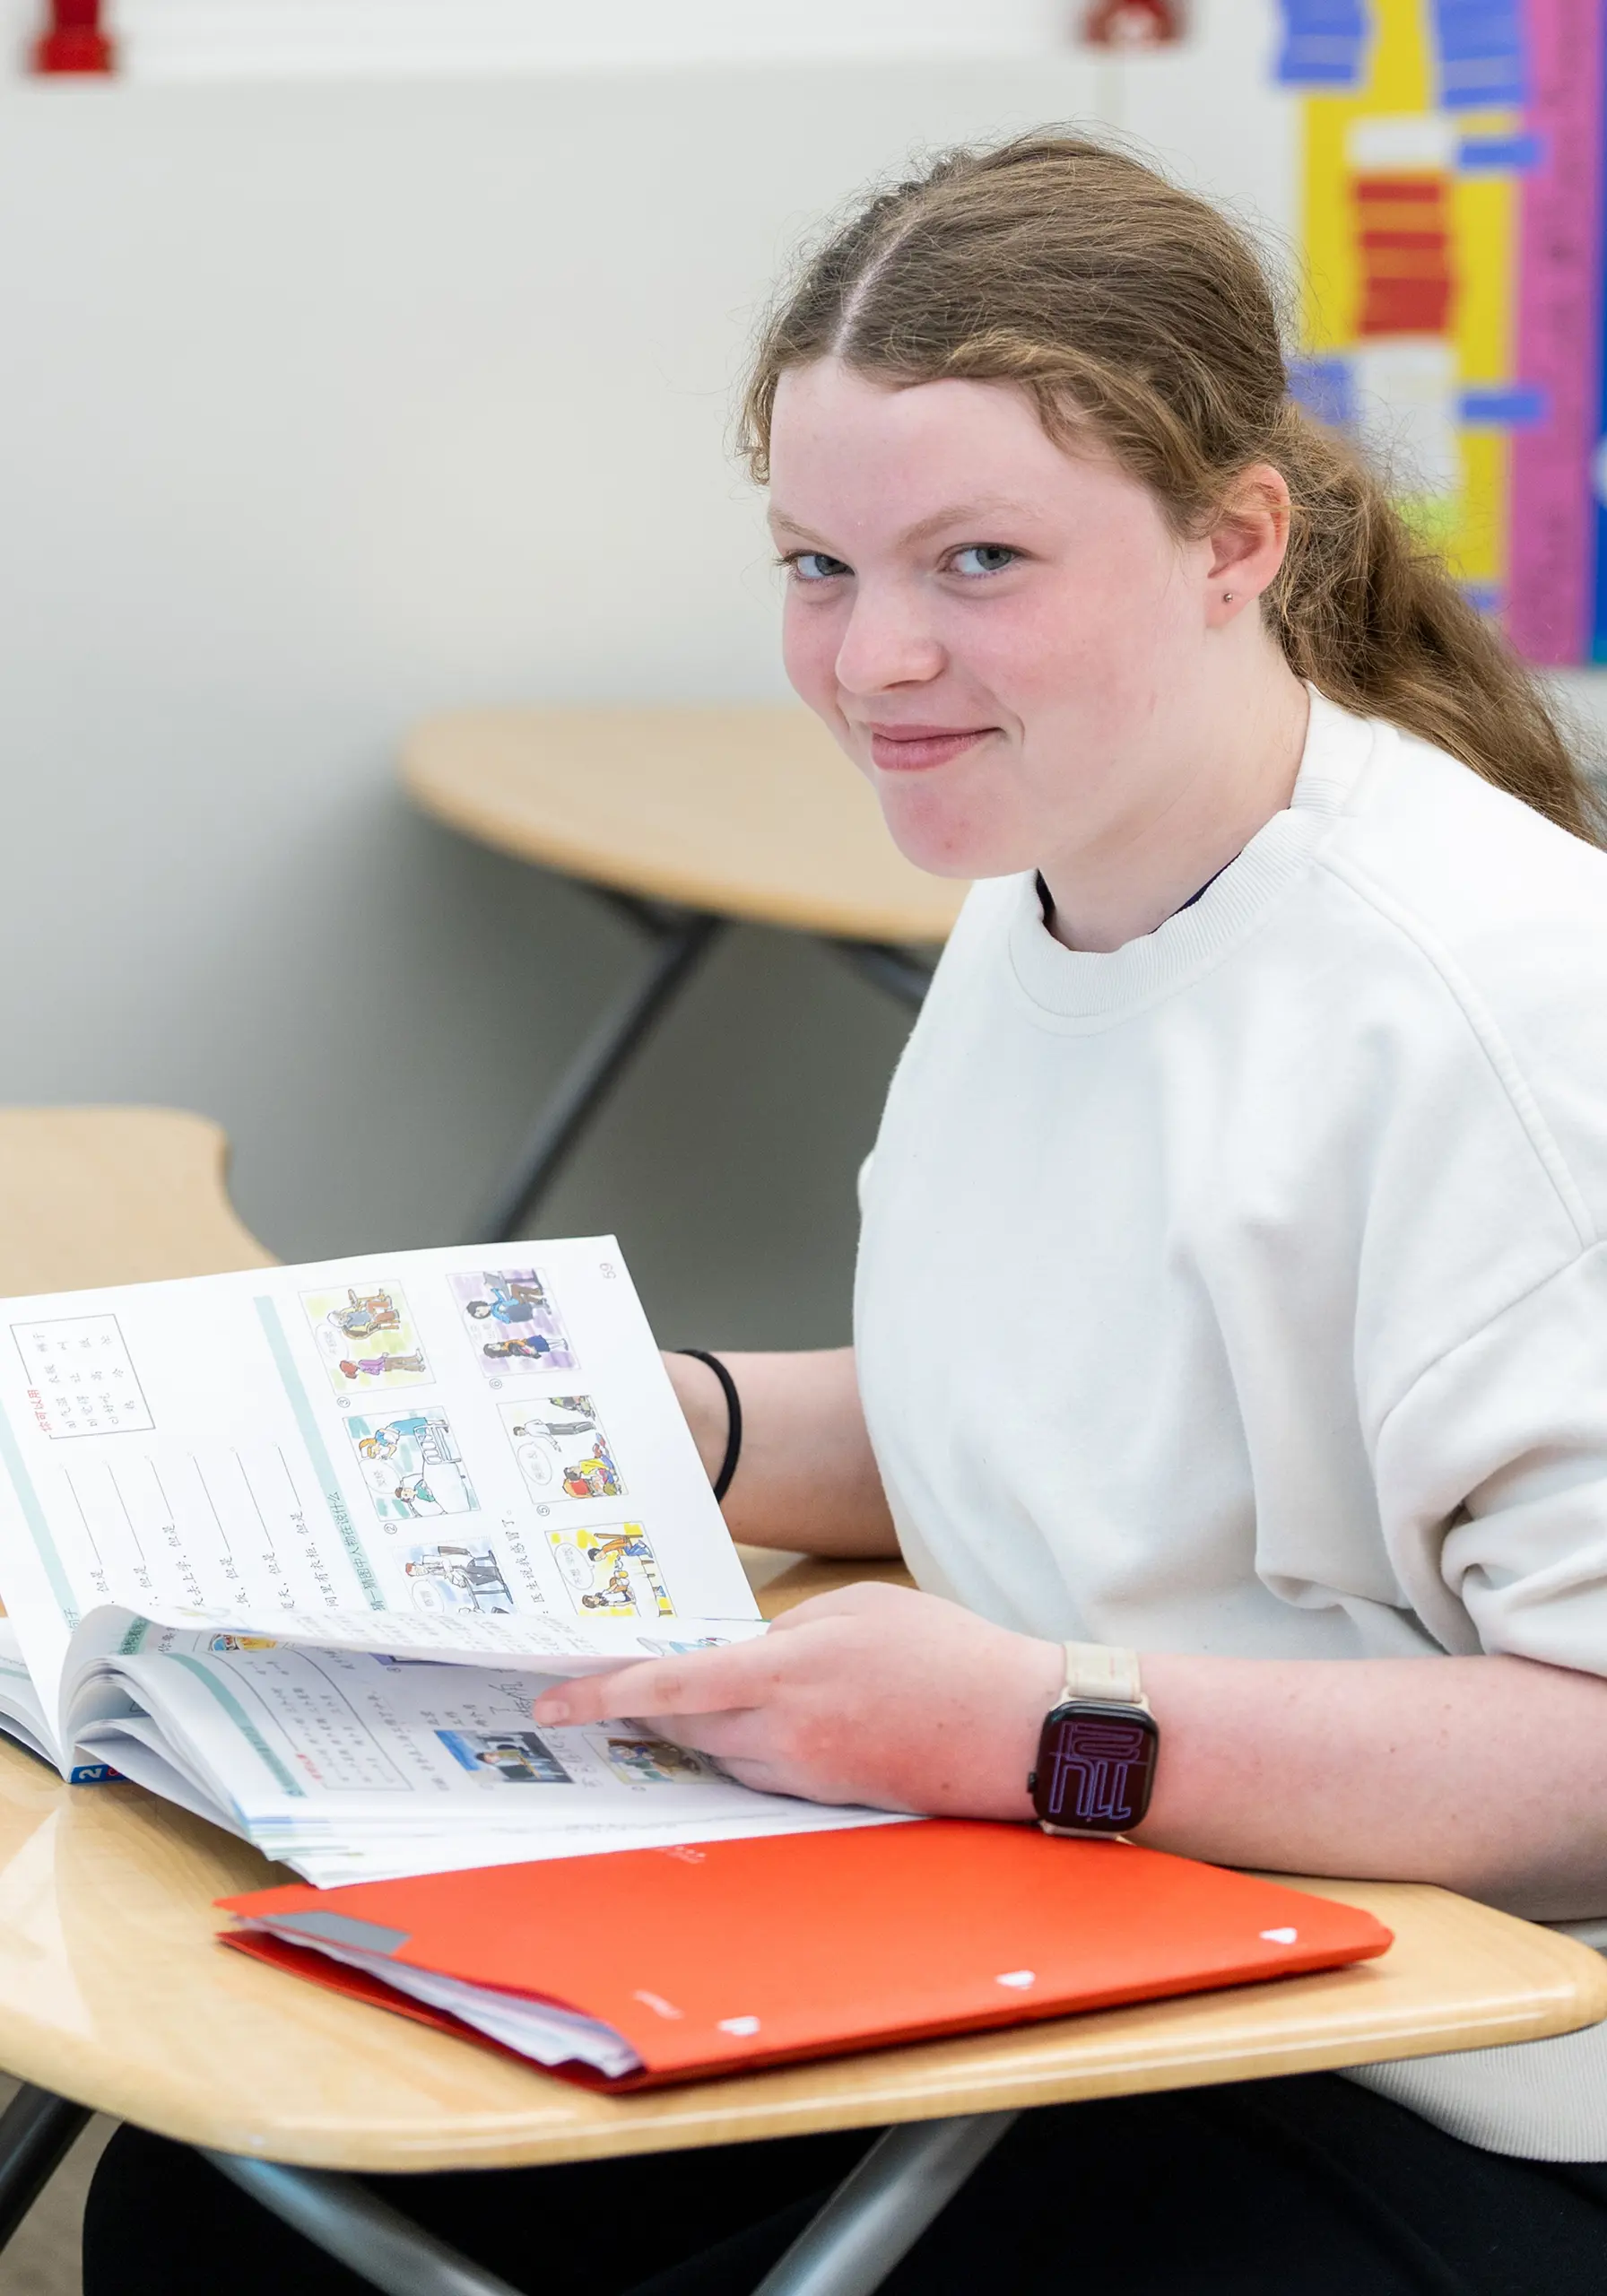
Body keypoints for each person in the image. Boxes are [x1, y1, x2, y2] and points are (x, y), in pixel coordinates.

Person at [85, 133, 1607, 2295]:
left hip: (1439, 2064)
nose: (873, 657)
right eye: (816, 564)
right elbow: (1113, 1419)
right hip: (1104, 1913)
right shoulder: (1043, 861)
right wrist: (630, 1417)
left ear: (1231, 543)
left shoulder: (1505, 1010)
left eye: (976, 557)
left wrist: (1029, 1723)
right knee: (216, 2215)